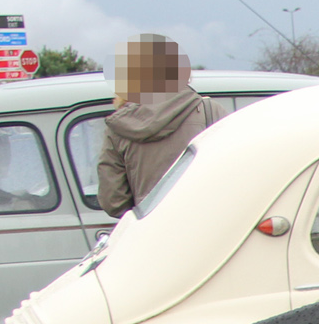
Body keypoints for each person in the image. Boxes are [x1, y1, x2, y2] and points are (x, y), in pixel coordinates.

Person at [97, 35, 227, 218]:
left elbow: (113, 201)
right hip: (205, 222)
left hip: (151, 229)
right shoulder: (210, 111)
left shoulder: (119, 126)